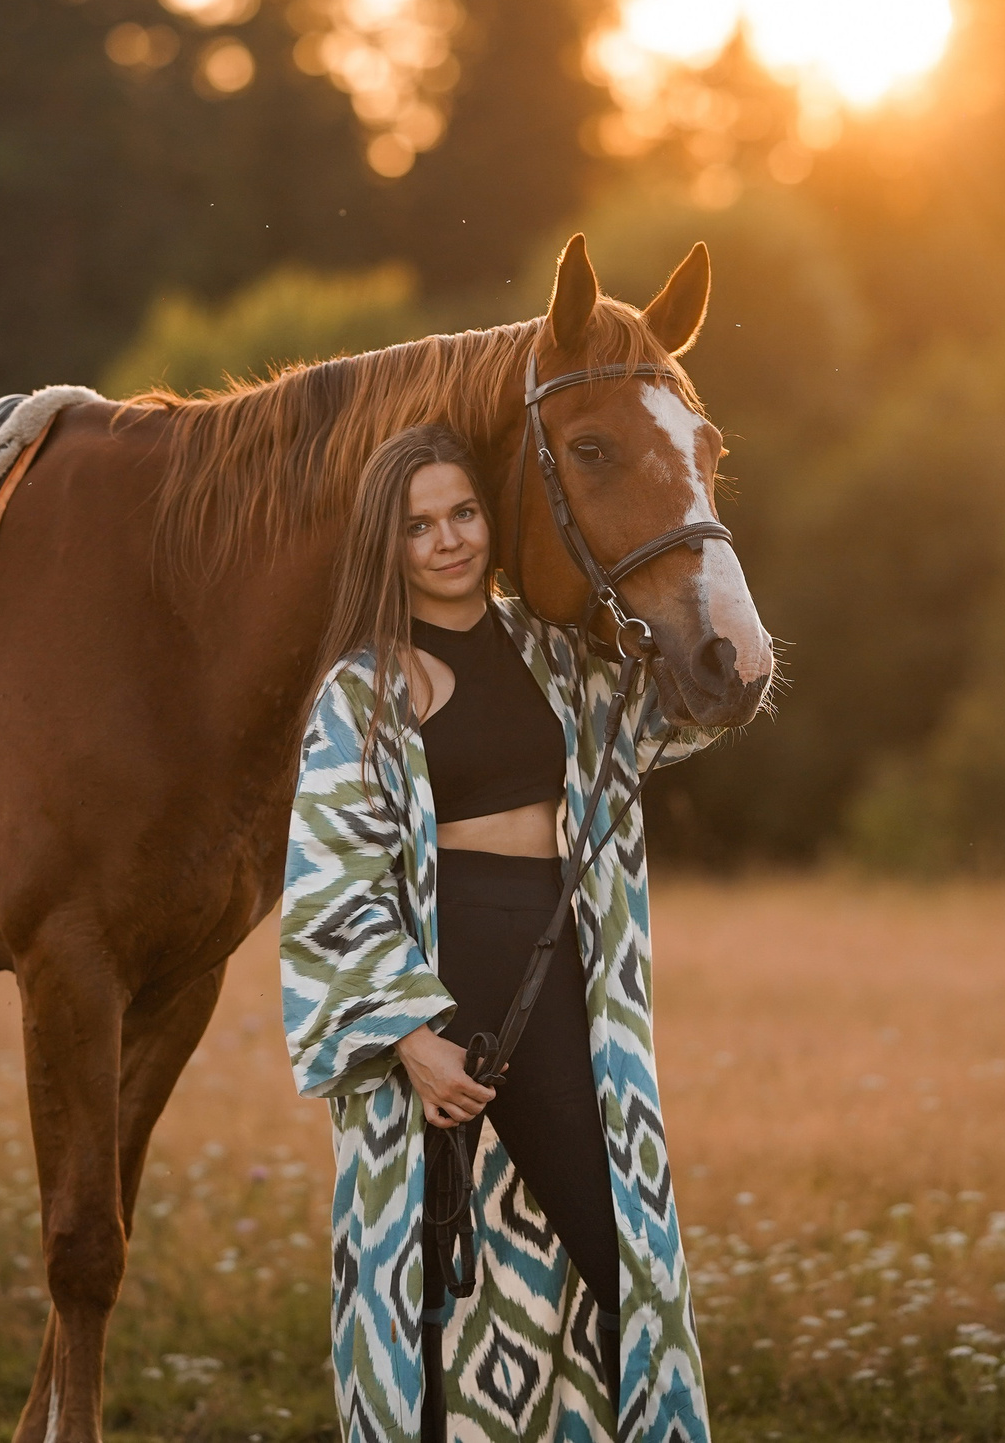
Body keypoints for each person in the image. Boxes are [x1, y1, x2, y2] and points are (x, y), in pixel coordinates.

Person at [280, 423, 724, 1443]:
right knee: (425, 1278)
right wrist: (411, 1041)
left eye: (463, 513)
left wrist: (710, 603)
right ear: (387, 544)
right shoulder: (361, 690)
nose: (447, 541)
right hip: (434, 988)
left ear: (491, 517)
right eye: (418, 525)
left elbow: (680, 715)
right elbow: (331, 881)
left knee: (620, 1256)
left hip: (555, 970)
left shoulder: (557, 652)